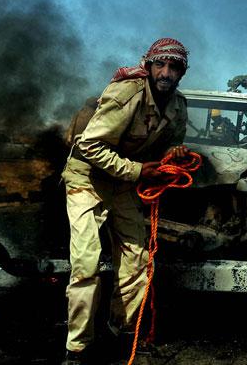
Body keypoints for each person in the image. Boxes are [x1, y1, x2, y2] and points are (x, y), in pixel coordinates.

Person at [61, 38, 190, 364]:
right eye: (160, 64)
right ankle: (76, 348)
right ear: (148, 66)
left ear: (182, 72)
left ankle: (122, 333)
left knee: (137, 261)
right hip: (87, 179)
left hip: (122, 183)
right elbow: (89, 145)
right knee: (86, 265)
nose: (166, 72)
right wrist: (136, 170)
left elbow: (164, 154)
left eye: (174, 67)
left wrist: (170, 158)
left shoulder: (179, 108)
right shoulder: (126, 94)